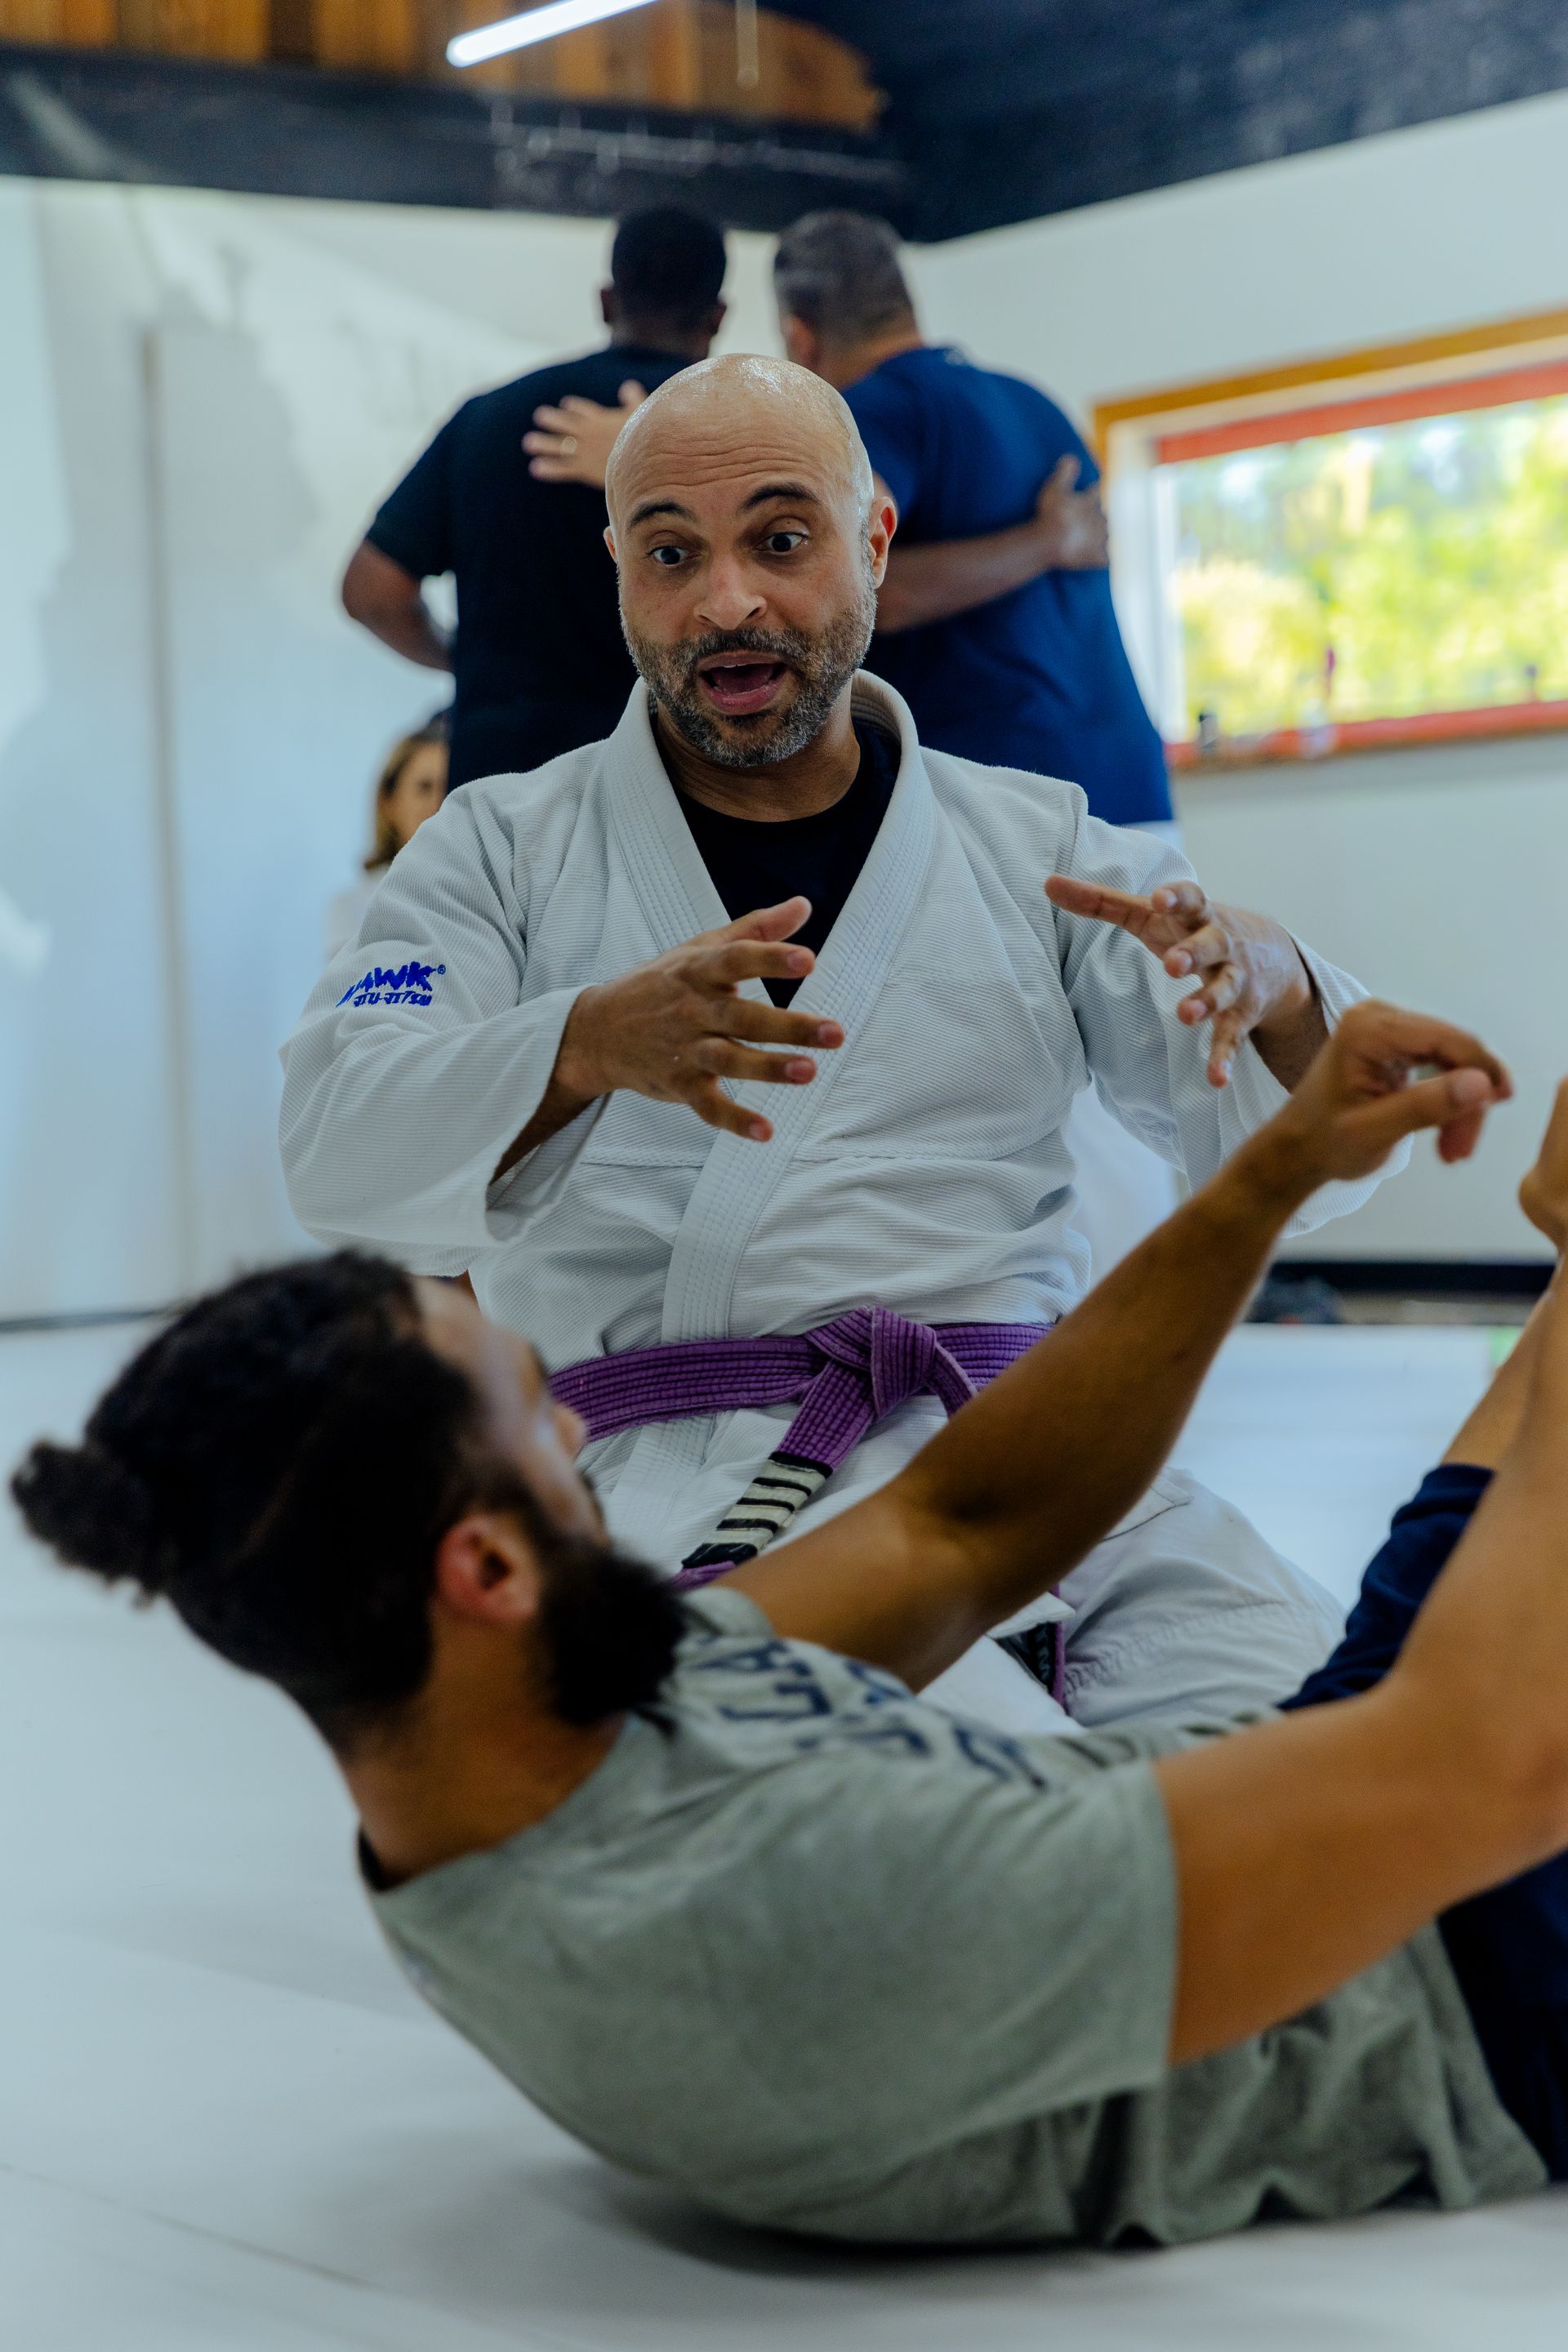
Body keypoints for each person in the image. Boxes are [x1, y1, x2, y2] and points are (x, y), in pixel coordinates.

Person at [39, 1008, 1568, 2254]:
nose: (580, 1425)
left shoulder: (520, 1728)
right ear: (483, 1569)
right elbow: (1493, 1764)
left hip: (1353, 1780)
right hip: (1483, 1983)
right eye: (538, 1413)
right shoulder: (753, 1922)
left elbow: (961, 1523)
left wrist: (1264, 1180)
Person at [281, 355, 1388, 1736]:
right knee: (936, 1798)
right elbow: (334, 1143)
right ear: (617, 569)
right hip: (696, 1471)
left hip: (1043, 1461)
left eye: (781, 538)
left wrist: (1278, 991)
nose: (726, 601)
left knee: (1339, 1744)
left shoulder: (1033, 842)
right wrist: (580, 1046)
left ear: (873, 542)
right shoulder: (500, 853)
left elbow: (1295, 1145)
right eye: (671, 554)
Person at [341, 207, 728, 790]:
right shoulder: (736, 434)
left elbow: (371, 590)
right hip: (672, 784)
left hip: (501, 785)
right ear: (718, 315)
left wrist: (468, 661)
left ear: (606, 300)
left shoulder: (489, 419)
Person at [324, 715, 450, 963]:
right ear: (389, 802)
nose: (440, 802)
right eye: (424, 787)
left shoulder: (485, 892)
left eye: (448, 788)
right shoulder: (353, 907)